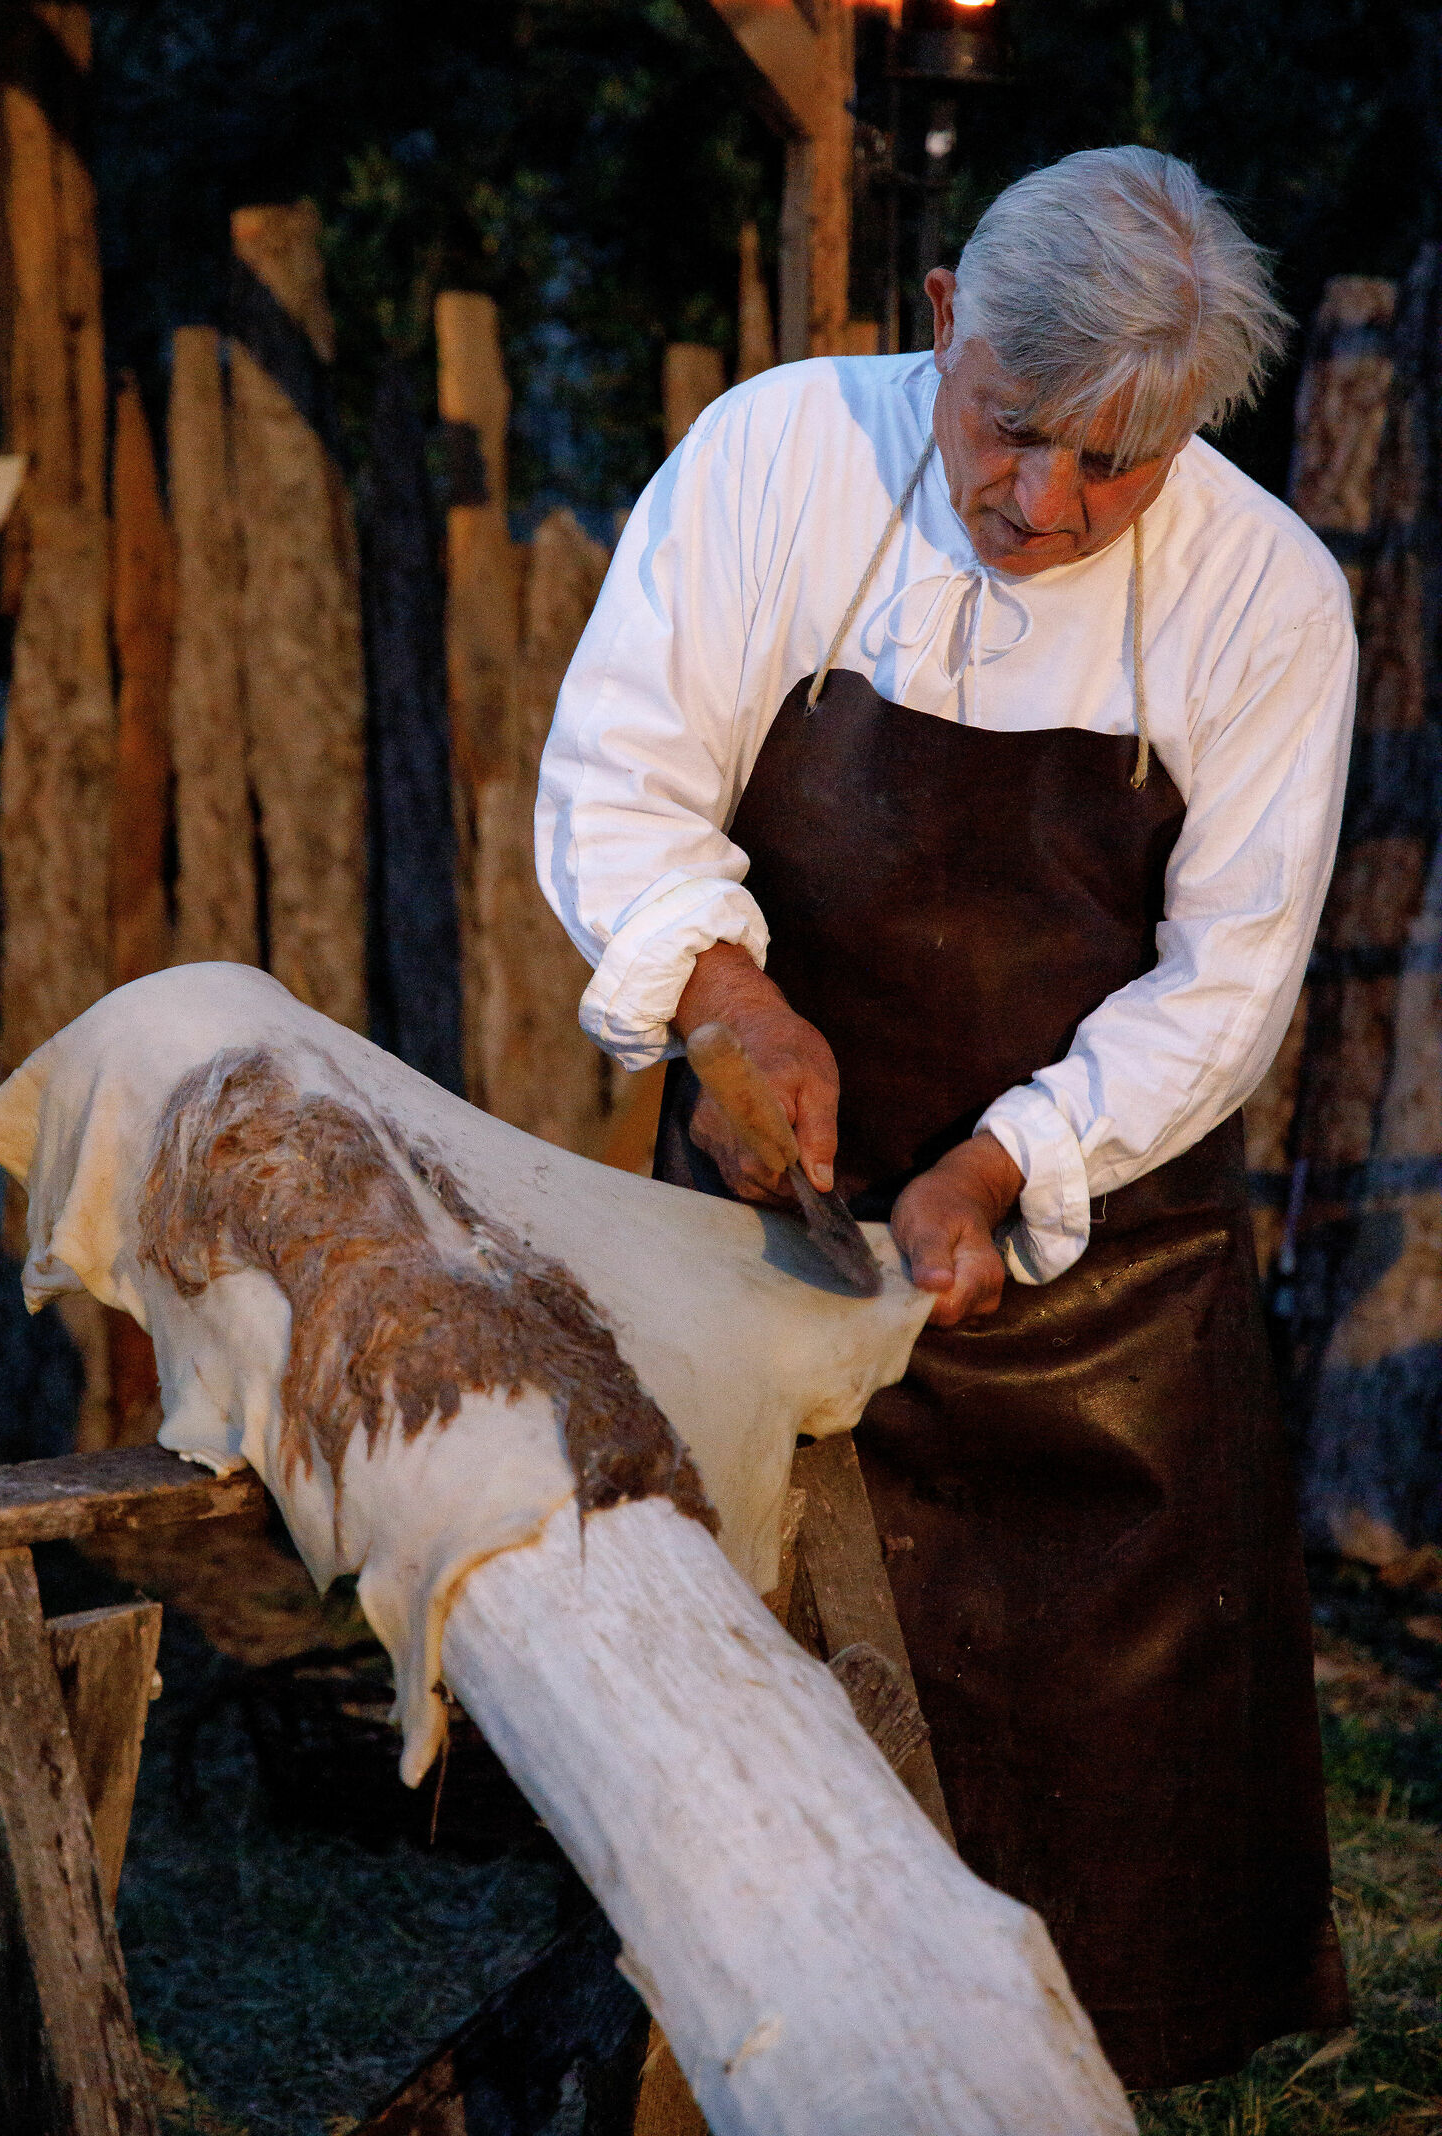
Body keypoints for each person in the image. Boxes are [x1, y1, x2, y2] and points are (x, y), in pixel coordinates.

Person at [535, 146, 1357, 2088]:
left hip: (1099, 1297)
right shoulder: (769, 463)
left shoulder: (1268, 600)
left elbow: (1224, 986)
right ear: (936, 323)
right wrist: (721, 1002)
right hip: (765, 1233)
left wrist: (1002, 1166)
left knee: (1114, 1848)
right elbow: (620, 774)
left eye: (1112, 464)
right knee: (748, 1779)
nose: (1038, 503)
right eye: (1007, 433)